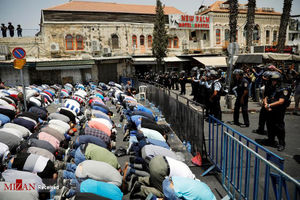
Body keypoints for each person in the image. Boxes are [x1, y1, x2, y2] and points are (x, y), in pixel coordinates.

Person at [256, 72, 291, 151]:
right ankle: (270, 140)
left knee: (279, 127)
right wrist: (265, 104)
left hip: (279, 110)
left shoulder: (283, 88)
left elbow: (281, 101)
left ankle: (281, 143)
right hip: (270, 109)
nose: (273, 82)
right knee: (269, 124)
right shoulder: (271, 86)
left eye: (275, 80)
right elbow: (266, 96)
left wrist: (269, 105)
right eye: (272, 80)